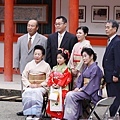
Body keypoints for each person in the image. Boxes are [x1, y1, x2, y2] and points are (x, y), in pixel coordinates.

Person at [63, 48, 103, 120]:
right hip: (85, 90)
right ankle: (73, 115)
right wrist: (78, 88)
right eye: (82, 56)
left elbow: (93, 83)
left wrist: (81, 89)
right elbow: (81, 80)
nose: (83, 58)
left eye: (85, 56)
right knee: (70, 94)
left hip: (92, 92)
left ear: (91, 56)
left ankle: (71, 117)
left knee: (71, 95)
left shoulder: (96, 68)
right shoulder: (86, 68)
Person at [22, 45, 51, 120]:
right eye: (35, 54)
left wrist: (40, 84)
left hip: (41, 86)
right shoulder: (29, 64)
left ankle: (37, 114)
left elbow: (49, 78)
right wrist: (29, 84)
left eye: (39, 54)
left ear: (42, 56)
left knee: (37, 93)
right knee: (27, 92)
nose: (37, 56)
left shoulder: (46, 66)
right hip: (31, 85)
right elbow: (24, 76)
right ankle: (29, 114)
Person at [46, 49, 72, 120]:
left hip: (63, 88)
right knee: (52, 96)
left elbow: (66, 78)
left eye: (61, 58)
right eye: (58, 58)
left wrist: (59, 84)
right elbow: (51, 77)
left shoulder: (67, 69)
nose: (59, 60)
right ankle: (53, 115)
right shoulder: (54, 68)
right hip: (54, 87)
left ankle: (59, 116)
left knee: (61, 96)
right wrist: (53, 83)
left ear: (65, 59)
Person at [102, 20, 120, 117]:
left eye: (108, 27)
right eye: (105, 27)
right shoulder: (110, 41)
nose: (106, 29)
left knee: (115, 99)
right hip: (108, 75)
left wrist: (116, 74)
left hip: (114, 76)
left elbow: (118, 60)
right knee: (111, 98)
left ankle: (114, 117)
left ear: (114, 29)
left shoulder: (117, 42)